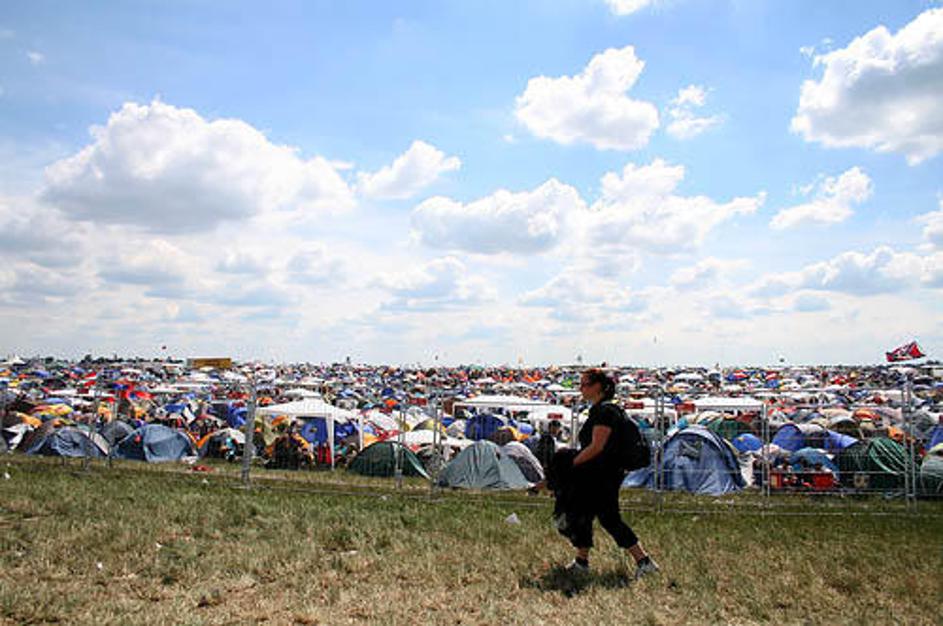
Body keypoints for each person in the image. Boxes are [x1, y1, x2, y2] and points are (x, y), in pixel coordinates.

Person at [564, 368, 659, 579]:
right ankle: (581, 561)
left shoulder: (604, 412)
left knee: (609, 518)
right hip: (599, 472)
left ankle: (644, 561)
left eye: (585, 384)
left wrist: (571, 463)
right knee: (584, 515)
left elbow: (597, 446)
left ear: (598, 387)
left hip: (603, 474)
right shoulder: (601, 410)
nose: (581, 389)